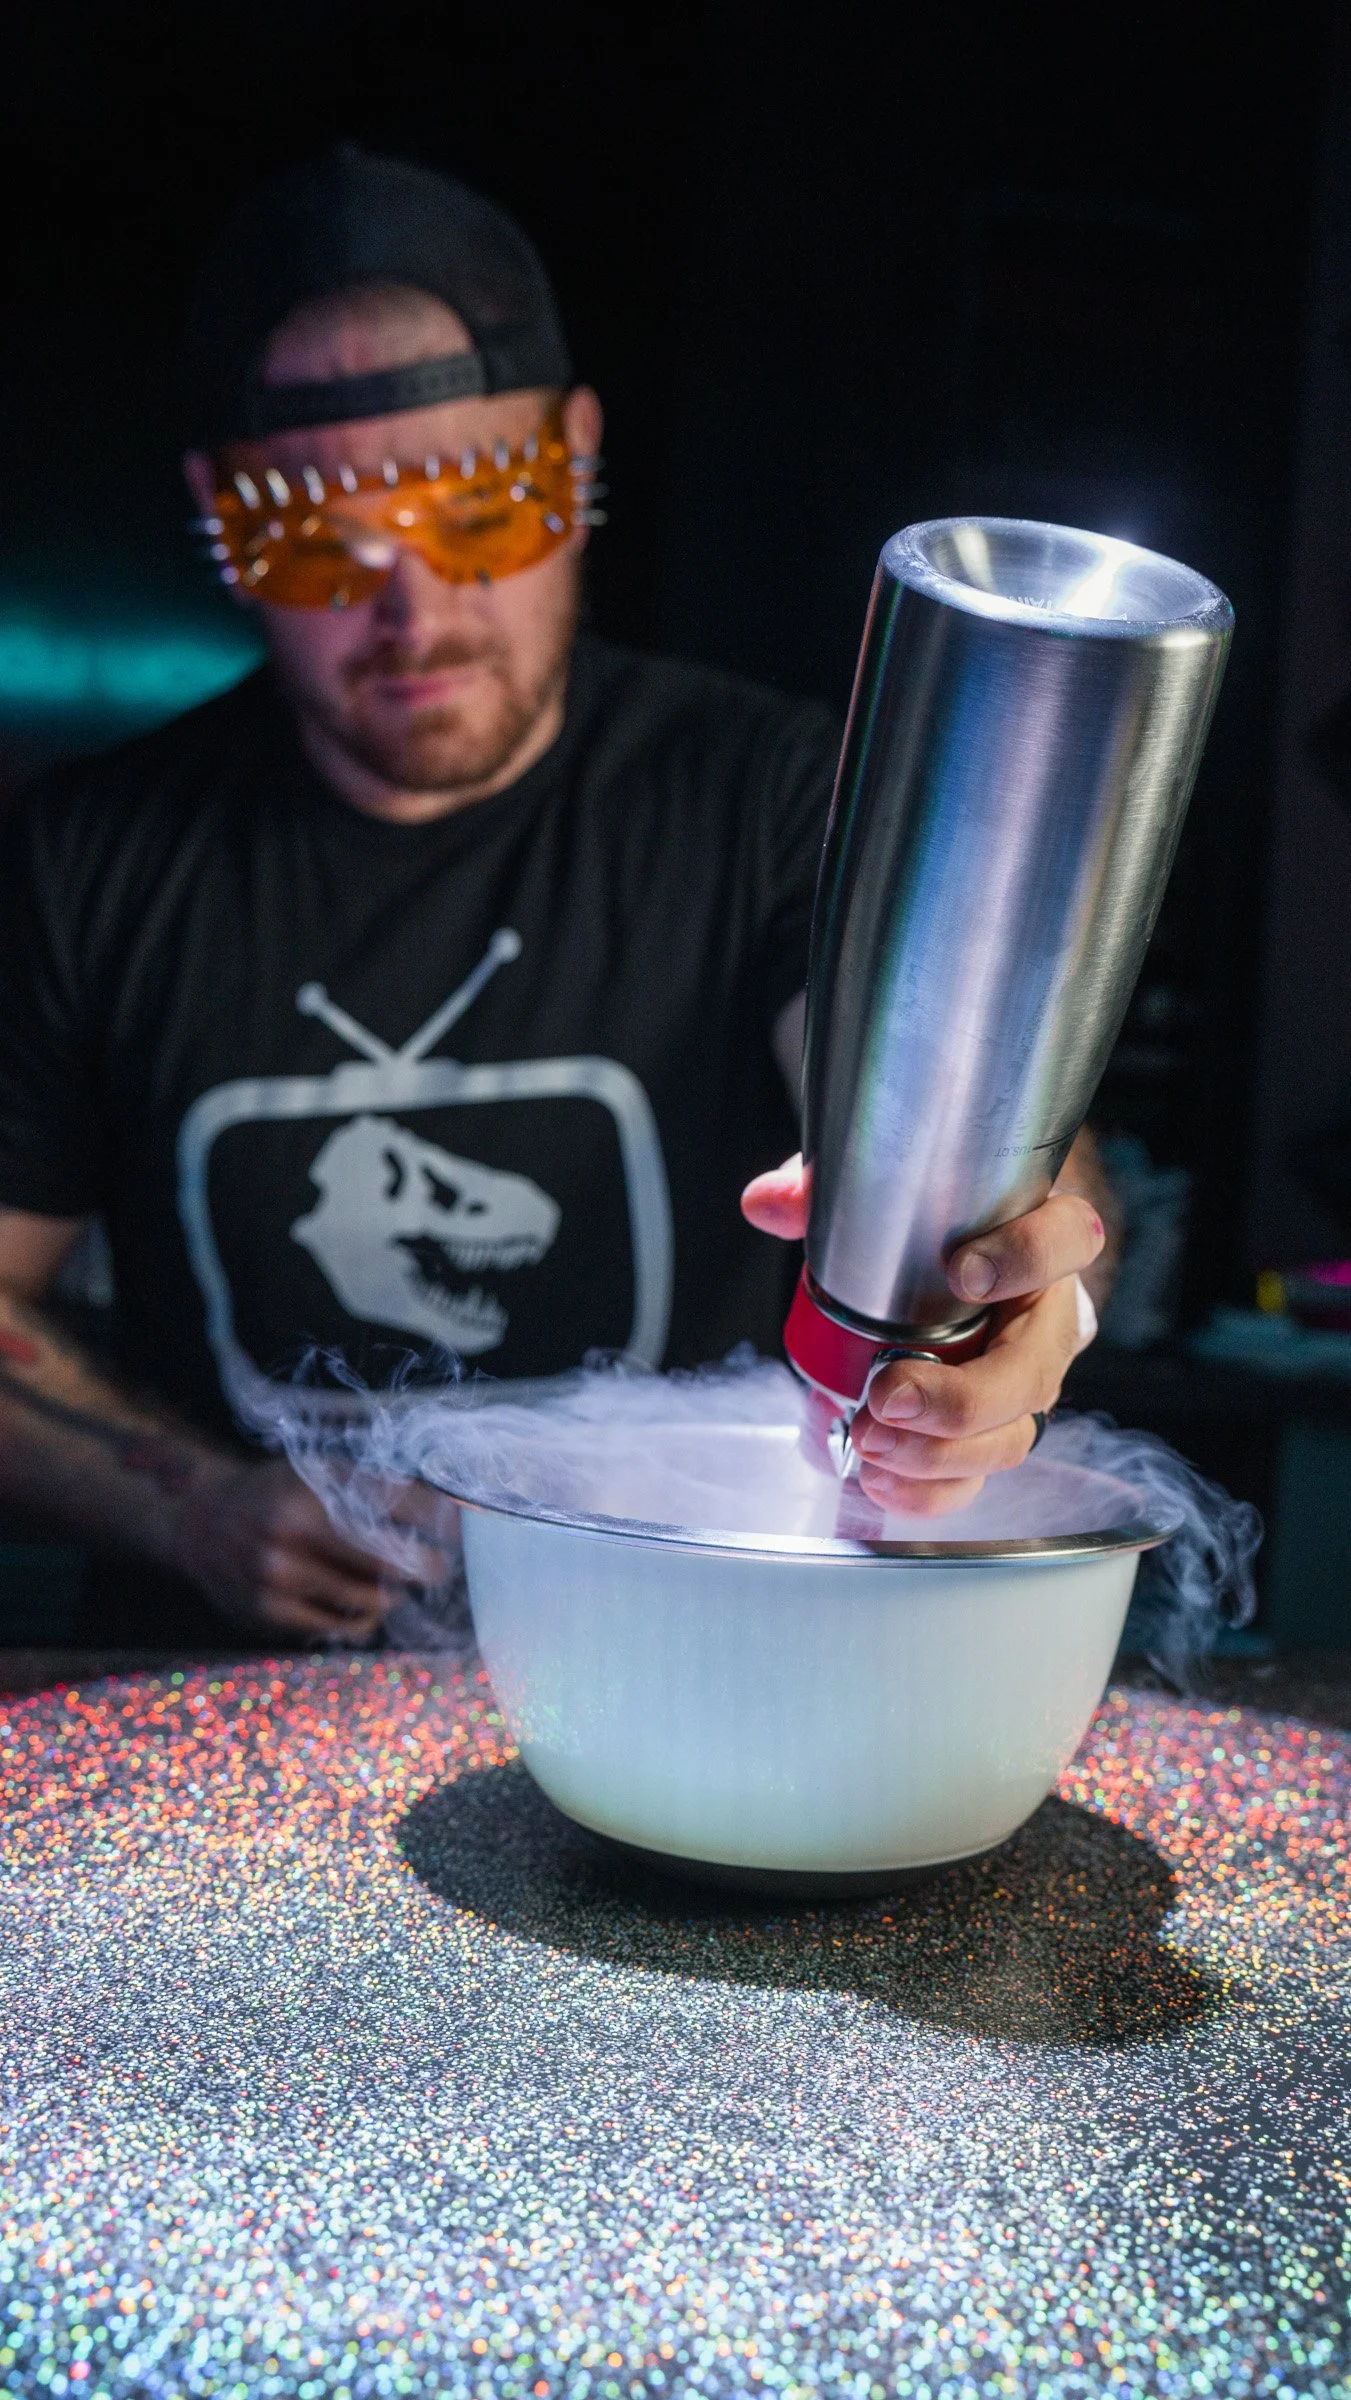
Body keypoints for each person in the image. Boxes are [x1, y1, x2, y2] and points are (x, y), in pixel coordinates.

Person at [0, 147, 1112, 1650]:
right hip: (238, 1690)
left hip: (692, 1669)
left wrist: (1005, 1278)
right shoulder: (89, 859)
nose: (416, 608)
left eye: (483, 511)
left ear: (575, 458)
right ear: (221, 519)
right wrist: (186, 1504)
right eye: (317, 534)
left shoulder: (768, 792)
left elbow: (940, 1106)